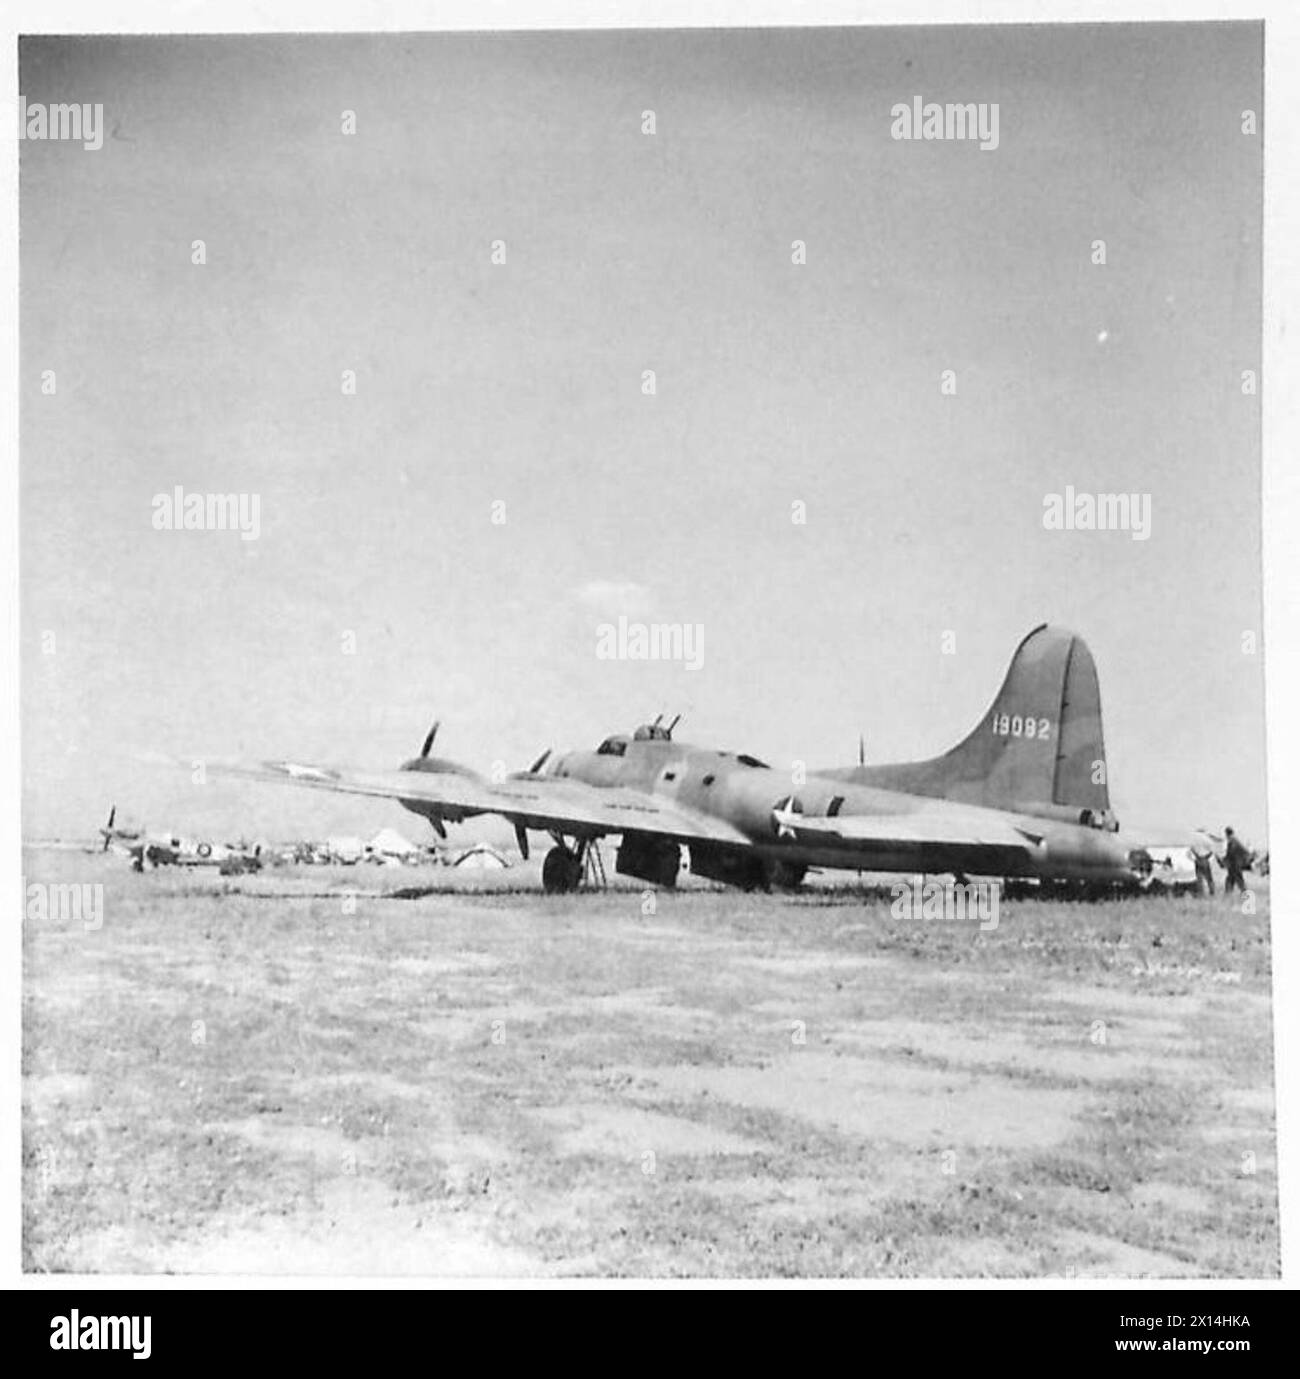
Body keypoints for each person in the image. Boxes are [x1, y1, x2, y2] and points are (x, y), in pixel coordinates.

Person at [1223, 826, 1252, 895]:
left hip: (1235, 865)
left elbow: (1231, 852)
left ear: (1227, 833)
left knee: (1239, 881)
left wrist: (1225, 859)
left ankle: (1245, 896)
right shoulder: (1234, 840)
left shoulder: (1232, 841)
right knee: (1230, 880)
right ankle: (1228, 896)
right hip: (1235, 865)